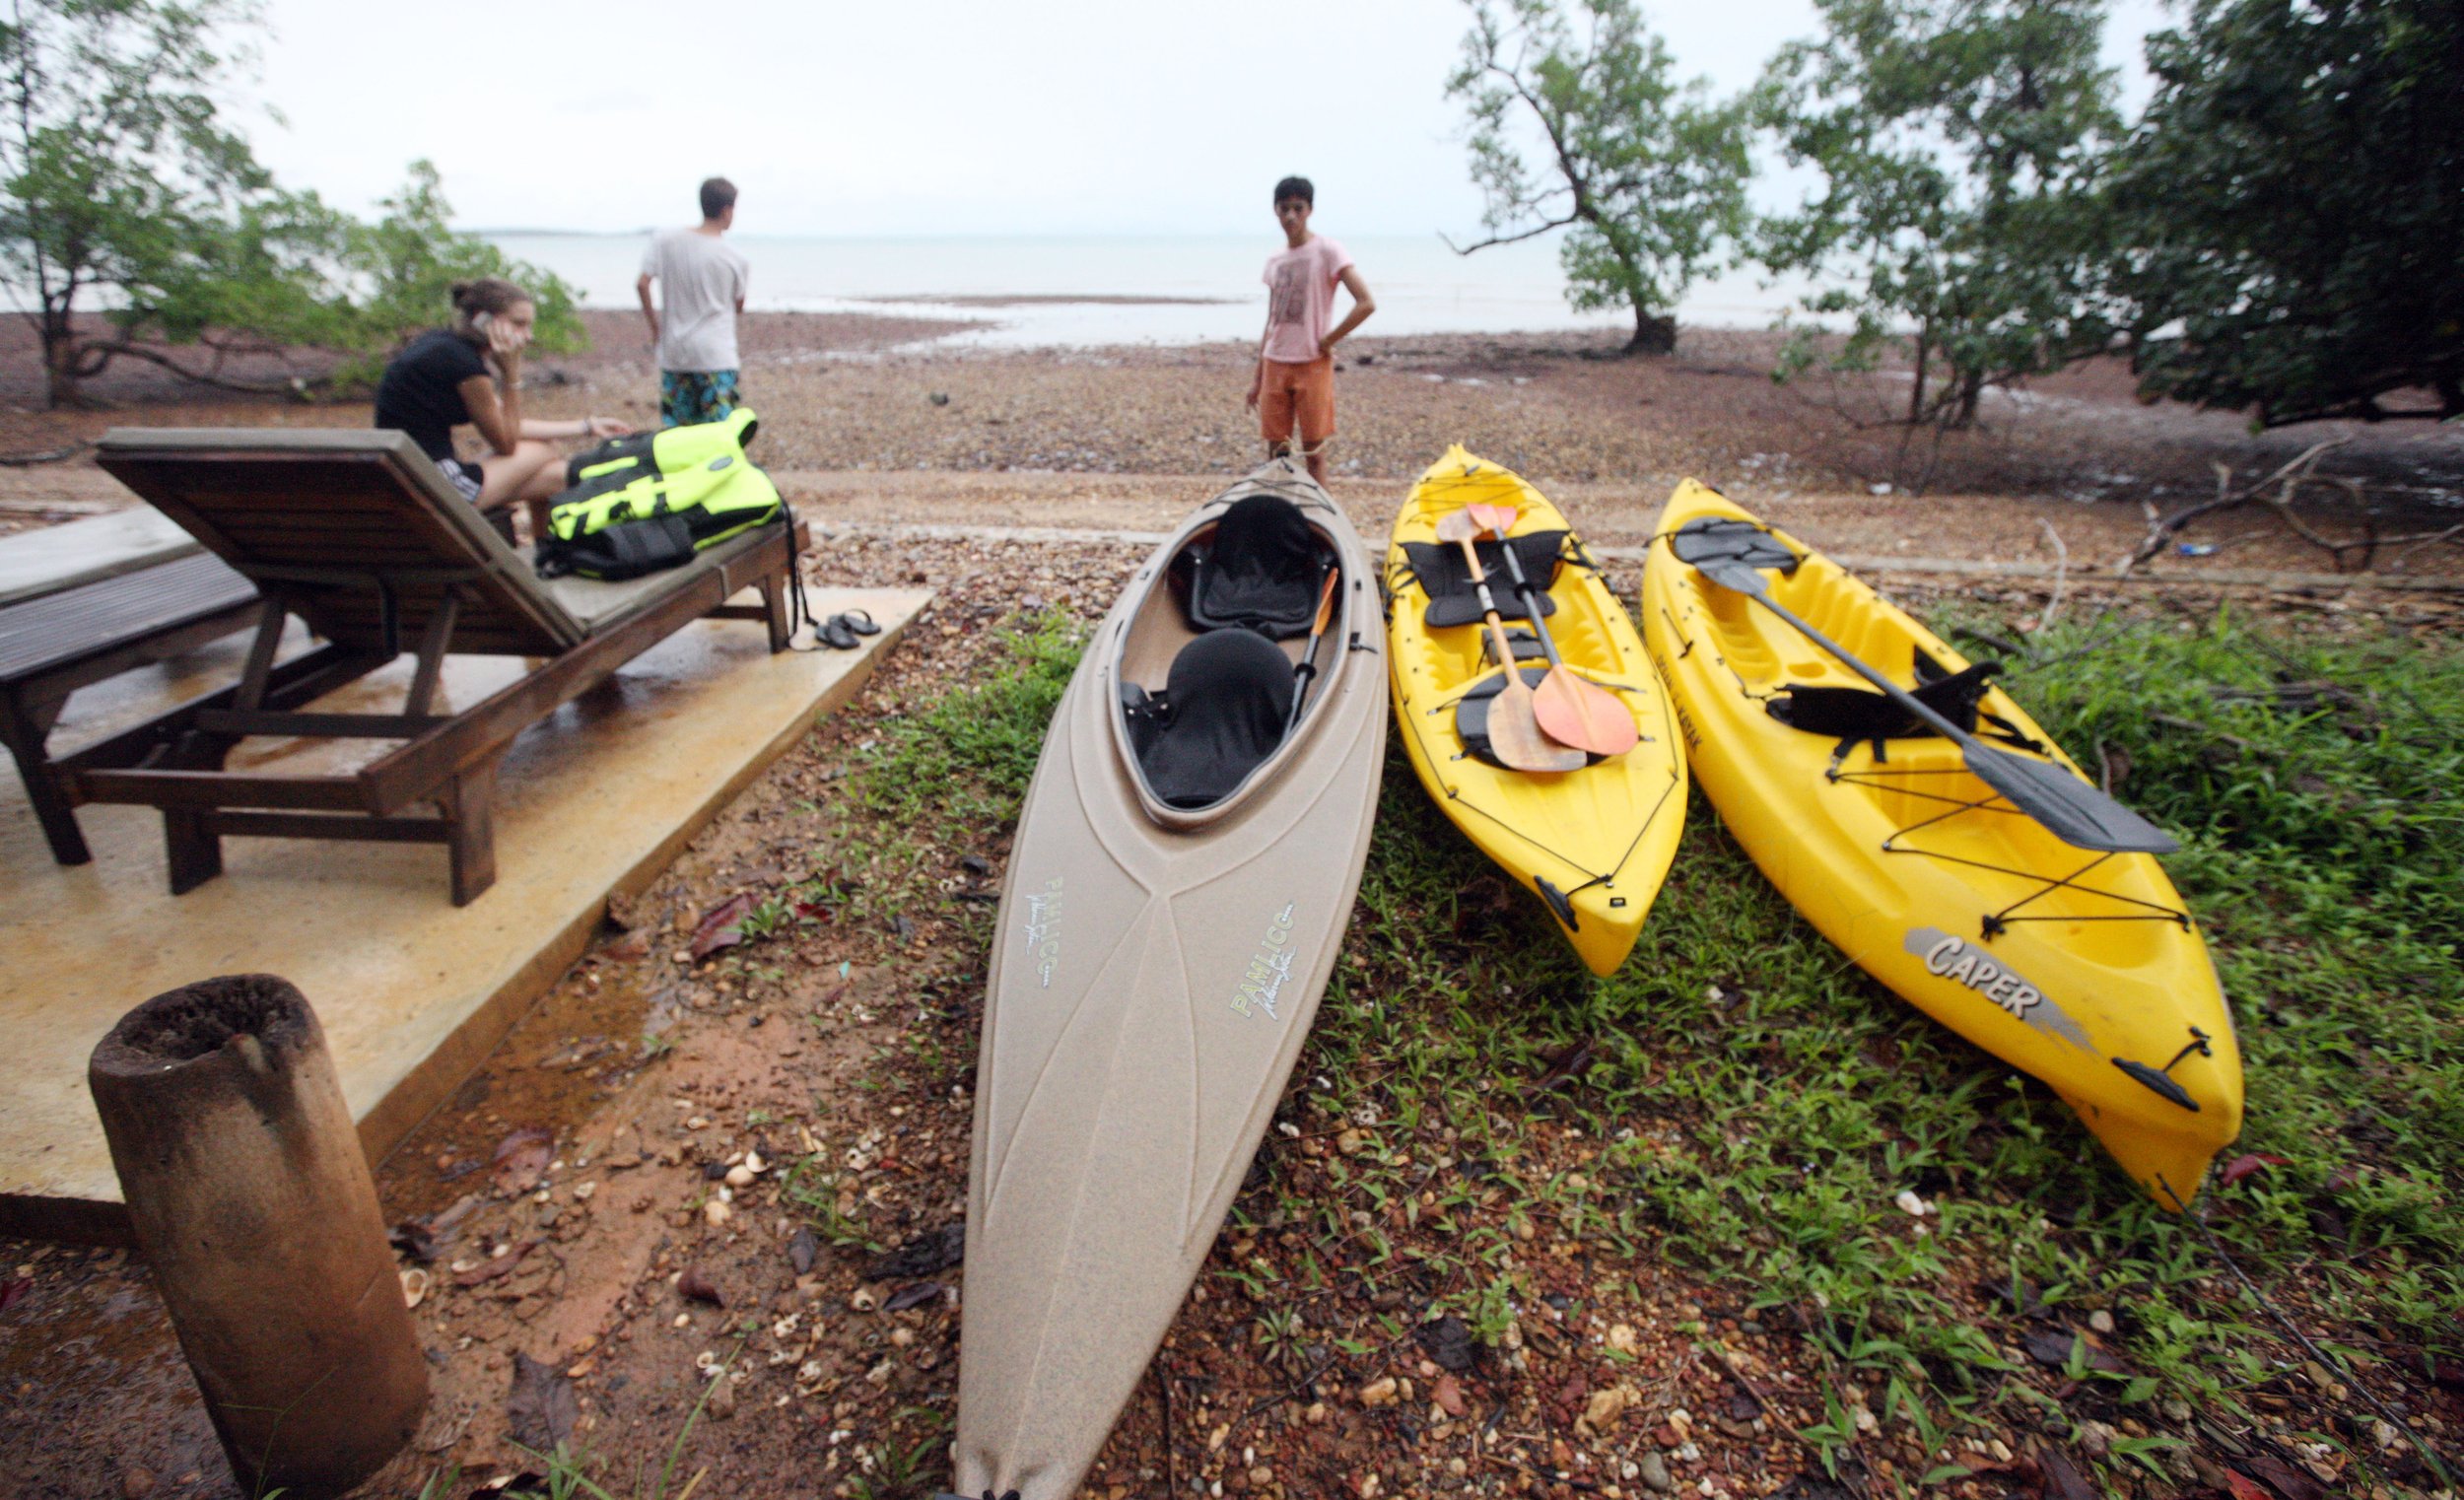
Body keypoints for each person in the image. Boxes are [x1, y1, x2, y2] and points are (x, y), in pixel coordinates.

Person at [372, 277, 627, 537]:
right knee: (546, 450)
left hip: (407, 477)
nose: (528, 336)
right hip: (435, 487)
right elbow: (507, 442)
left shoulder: (444, 346)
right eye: (519, 324)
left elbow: (506, 425)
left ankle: (543, 555)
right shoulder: (466, 367)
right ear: (483, 319)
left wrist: (588, 426)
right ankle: (547, 554)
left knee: (557, 475)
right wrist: (511, 375)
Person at [1246, 175, 1375, 485]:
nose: (1291, 216)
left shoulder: (1327, 250)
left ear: (1309, 210)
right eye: (1284, 209)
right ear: (1276, 211)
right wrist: (1257, 377)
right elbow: (1271, 319)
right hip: (1276, 360)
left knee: (1314, 450)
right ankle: (1277, 517)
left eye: (1298, 208)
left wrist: (1329, 338)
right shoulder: (1276, 260)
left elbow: (1365, 302)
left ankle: (1320, 521)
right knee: (1276, 450)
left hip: (1311, 363)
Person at [639, 177, 751, 428]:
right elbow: (738, 306)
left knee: (678, 439)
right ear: (726, 210)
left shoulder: (665, 240)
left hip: (676, 353)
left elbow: (643, 283)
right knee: (721, 437)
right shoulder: (736, 258)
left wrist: (655, 327)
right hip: (717, 355)